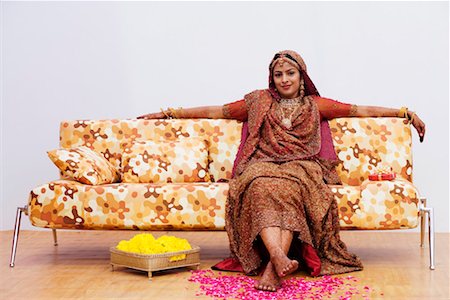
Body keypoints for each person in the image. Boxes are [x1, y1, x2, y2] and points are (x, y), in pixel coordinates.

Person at [137, 50, 426, 292]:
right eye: (279, 74)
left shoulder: (316, 104)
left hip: (303, 166)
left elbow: (359, 110)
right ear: (272, 78)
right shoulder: (258, 102)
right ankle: (278, 259)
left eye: (290, 73)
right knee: (261, 186)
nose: (284, 79)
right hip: (261, 165)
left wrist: (404, 113)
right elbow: (216, 111)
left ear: (302, 76)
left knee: (289, 188)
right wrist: (169, 113)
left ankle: (273, 269)